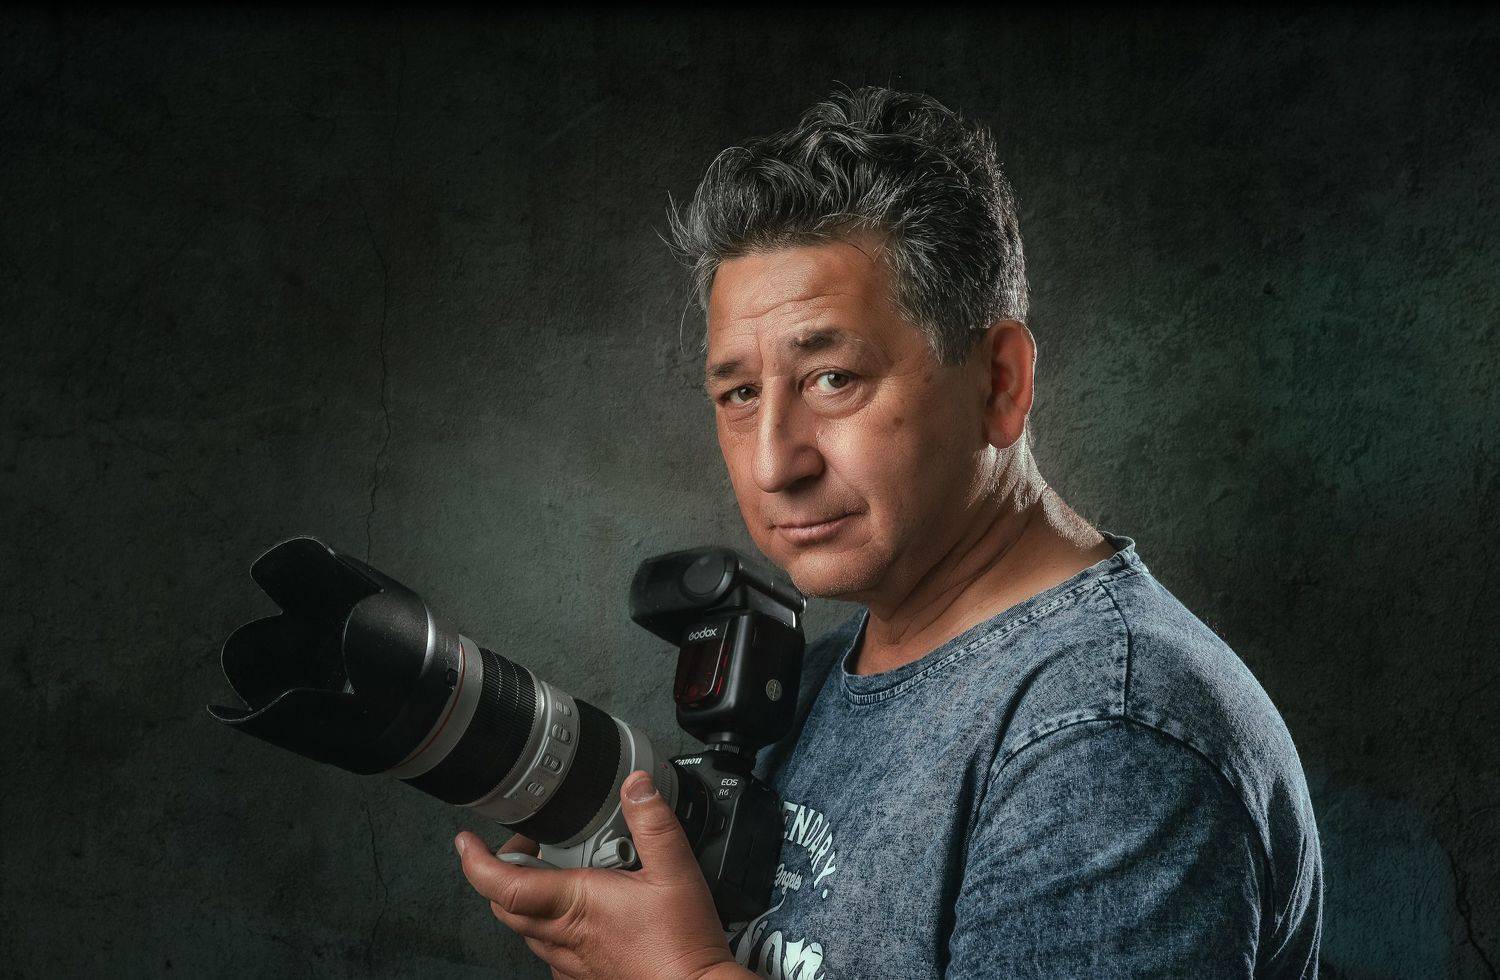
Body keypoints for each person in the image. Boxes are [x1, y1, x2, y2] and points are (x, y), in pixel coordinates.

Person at [454, 86, 1323, 979]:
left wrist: (679, 975)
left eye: (832, 378)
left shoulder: (1108, 737)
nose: (773, 464)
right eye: (740, 393)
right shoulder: (821, 681)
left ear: (1001, 383)